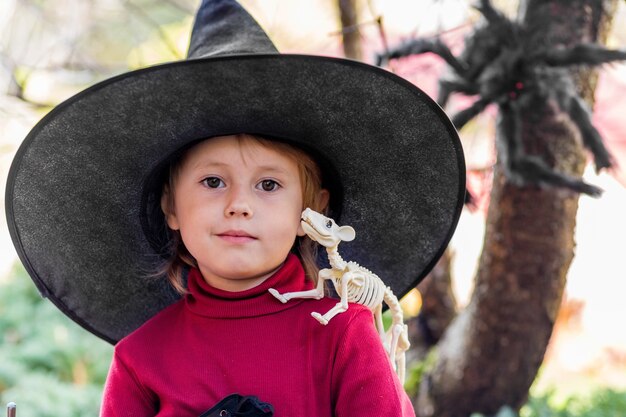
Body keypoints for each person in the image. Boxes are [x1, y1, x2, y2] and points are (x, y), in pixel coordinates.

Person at [5, 0, 465, 416]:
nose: (239, 205)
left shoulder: (344, 337)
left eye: (268, 184)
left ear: (312, 212)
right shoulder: (141, 359)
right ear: (171, 206)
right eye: (212, 181)